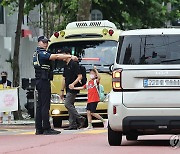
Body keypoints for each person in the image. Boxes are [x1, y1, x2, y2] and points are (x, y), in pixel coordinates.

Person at [33, 36, 78, 135]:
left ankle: (39, 128)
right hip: (43, 81)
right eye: (43, 42)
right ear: (39, 43)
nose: (46, 44)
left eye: (46, 42)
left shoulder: (37, 53)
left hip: (40, 81)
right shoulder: (41, 53)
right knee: (45, 105)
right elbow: (56, 57)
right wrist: (70, 56)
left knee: (40, 105)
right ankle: (46, 128)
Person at [60, 47, 86, 130]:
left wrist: (73, 84)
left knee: (67, 104)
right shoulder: (65, 66)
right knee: (70, 105)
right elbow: (64, 79)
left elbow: (80, 76)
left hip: (73, 89)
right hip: (68, 88)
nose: (61, 56)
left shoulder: (74, 64)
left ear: (67, 54)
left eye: (63, 54)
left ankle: (80, 118)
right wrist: (61, 90)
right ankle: (72, 124)